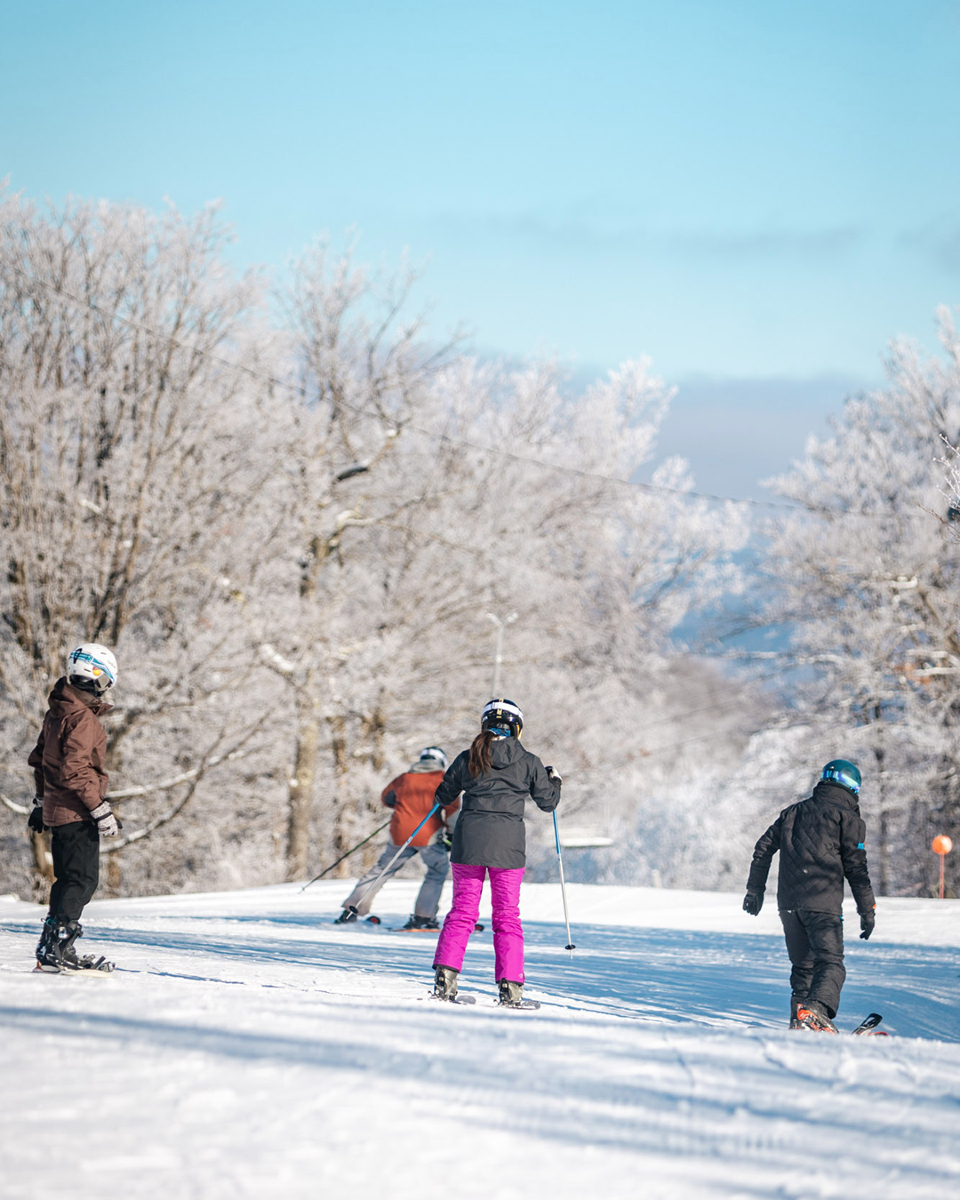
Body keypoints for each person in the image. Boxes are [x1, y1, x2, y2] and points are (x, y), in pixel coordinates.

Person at [431, 699, 560, 1007]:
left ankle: (444, 982)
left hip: (469, 844)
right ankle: (511, 989)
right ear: (517, 727)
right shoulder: (529, 761)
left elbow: (443, 795)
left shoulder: (468, 758)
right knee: (506, 917)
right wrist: (554, 780)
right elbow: (548, 802)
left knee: (462, 913)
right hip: (508, 848)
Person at [743, 759, 877, 1032]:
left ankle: (799, 1022)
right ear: (853, 789)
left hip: (789, 906)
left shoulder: (793, 812)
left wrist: (755, 890)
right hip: (823, 903)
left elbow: (762, 848)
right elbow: (856, 868)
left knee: (803, 967)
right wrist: (867, 910)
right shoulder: (849, 820)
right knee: (831, 963)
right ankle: (815, 1010)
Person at [28, 643, 121, 972]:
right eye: (107, 682)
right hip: (77, 812)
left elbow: (40, 761)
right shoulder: (83, 719)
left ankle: (50, 948)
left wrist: (41, 801)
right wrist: (100, 810)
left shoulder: (58, 713)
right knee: (82, 880)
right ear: (99, 676)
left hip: (57, 810)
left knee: (67, 880)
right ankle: (57, 946)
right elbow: (75, 771)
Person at [334, 747, 457, 929]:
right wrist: (452, 835)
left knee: (382, 870)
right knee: (437, 870)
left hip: (399, 833)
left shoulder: (404, 778)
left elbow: (386, 798)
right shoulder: (443, 779)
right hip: (428, 834)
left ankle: (351, 911)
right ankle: (423, 918)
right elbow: (453, 809)